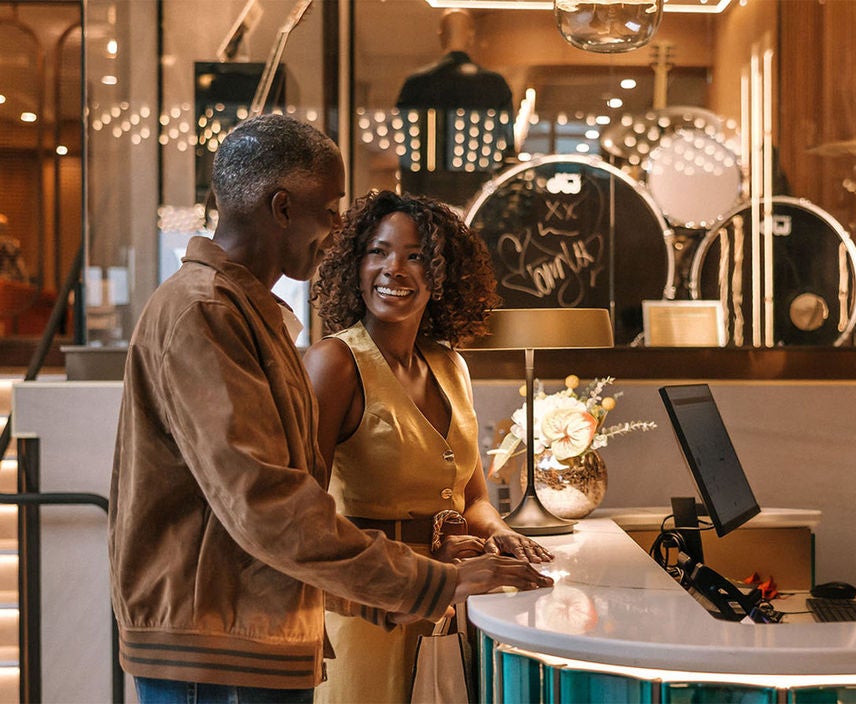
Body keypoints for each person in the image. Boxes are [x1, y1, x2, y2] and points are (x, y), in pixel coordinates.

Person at [109, 114, 552, 704]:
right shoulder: (205, 311)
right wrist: (429, 582)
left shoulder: (248, 313)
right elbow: (268, 506)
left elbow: (290, 510)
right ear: (282, 208)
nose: (338, 226)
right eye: (331, 209)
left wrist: (413, 585)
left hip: (258, 638)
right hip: (218, 653)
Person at [306, 189, 552, 702]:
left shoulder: (451, 364)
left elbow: (473, 498)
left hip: (448, 605)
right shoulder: (335, 363)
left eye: (415, 256)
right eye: (377, 251)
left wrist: (501, 534)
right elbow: (306, 515)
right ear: (355, 265)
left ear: (441, 275)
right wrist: (426, 553)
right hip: (370, 610)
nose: (393, 269)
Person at [395, 9, 514, 206]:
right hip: (479, 197)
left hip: (428, 198)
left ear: (440, 35)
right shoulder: (495, 85)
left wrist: (409, 204)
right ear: (471, 36)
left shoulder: (416, 84)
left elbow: (407, 155)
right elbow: (507, 150)